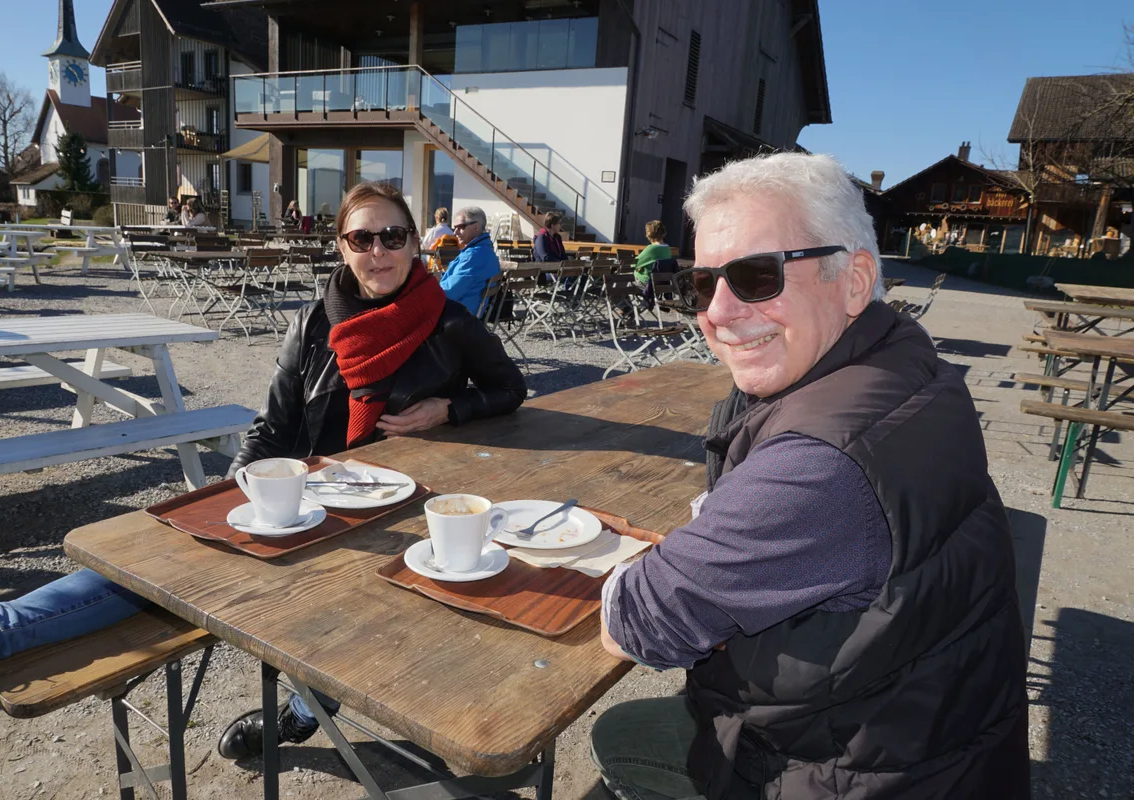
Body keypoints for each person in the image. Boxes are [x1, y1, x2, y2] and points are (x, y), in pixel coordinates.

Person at [0, 181, 527, 762]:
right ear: (342, 247)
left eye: (393, 237)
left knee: (359, 609)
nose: (379, 251)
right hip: (307, 506)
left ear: (416, 243)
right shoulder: (313, 324)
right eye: (362, 238)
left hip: (399, 515)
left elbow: (509, 388)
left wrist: (449, 408)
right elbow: (271, 429)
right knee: (157, 560)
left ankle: (302, 714)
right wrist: (226, 497)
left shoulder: (450, 323)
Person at [590, 153, 1030, 800]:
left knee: (620, 733)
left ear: (855, 281)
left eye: (756, 276)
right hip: (928, 732)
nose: (717, 312)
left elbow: (635, 621)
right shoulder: (902, 361)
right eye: (702, 283)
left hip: (852, 769)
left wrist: (627, 561)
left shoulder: (821, 462)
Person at [440, 206, 501, 313]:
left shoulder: (473, 256)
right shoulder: (487, 251)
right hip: (472, 312)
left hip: (456, 313)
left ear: (476, 227)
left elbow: (449, 292)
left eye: (460, 227)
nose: (455, 232)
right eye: (454, 228)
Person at [632, 219, 673, 287]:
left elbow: (634, 263)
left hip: (648, 281)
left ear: (649, 234)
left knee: (630, 275)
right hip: (661, 282)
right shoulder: (667, 248)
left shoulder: (651, 248)